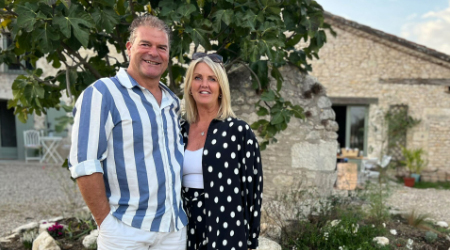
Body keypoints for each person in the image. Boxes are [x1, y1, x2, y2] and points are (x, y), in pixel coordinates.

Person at [69, 15, 187, 250]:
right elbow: (85, 163)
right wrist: (106, 224)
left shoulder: (173, 102)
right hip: (126, 232)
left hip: (173, 231)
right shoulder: (103, 94)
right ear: (129, 48)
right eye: (145, 44)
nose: (154, 53)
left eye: (161, 47)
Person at [181, 53, 263, 250]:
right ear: (190, 86)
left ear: (221, 88)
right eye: (198, 77)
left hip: (226, 228)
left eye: (212, 79)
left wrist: (251, 239)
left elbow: (253, 188)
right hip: (184, 228)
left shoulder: (239, 131)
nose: (204, 84)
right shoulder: (179, 130)